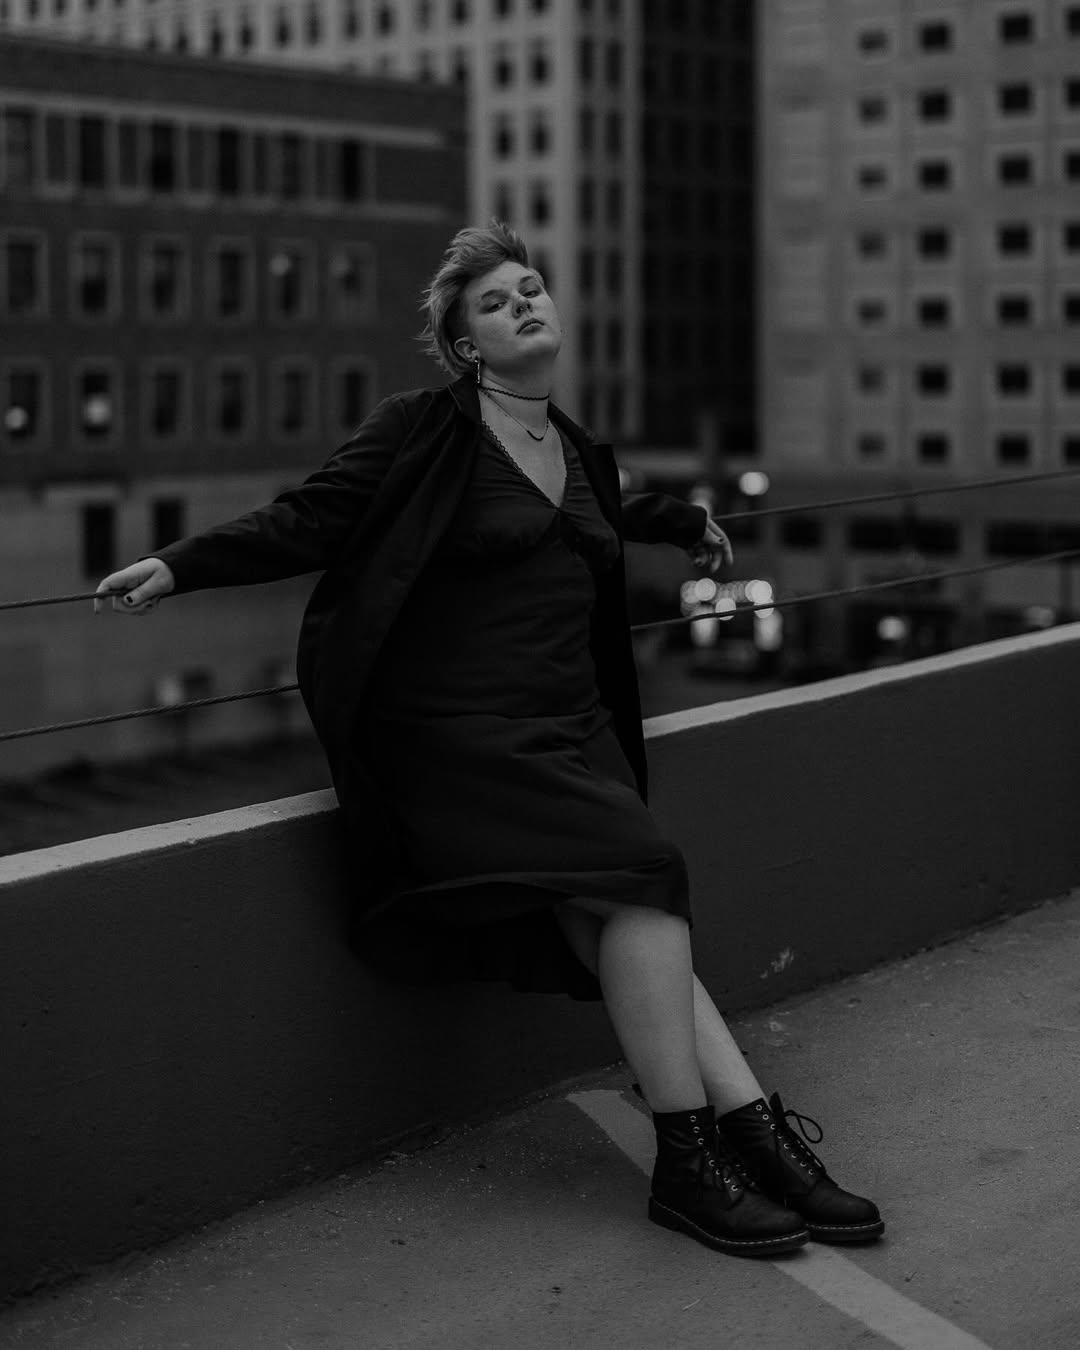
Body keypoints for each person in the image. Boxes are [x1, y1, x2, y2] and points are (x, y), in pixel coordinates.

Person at [96, 220, 883, 1257]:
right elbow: (311, 517)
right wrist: (180, 566)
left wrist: (688, 522)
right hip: (460, 736)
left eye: (532, 287)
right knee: (647, 873)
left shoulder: (574, 448)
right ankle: (694, 1161)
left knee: (619, 917)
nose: (524, 303)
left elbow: (613, 507)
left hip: (574, 729)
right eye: (496, 301)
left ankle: (749, 1139)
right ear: (469, 345)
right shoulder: (423, 429)